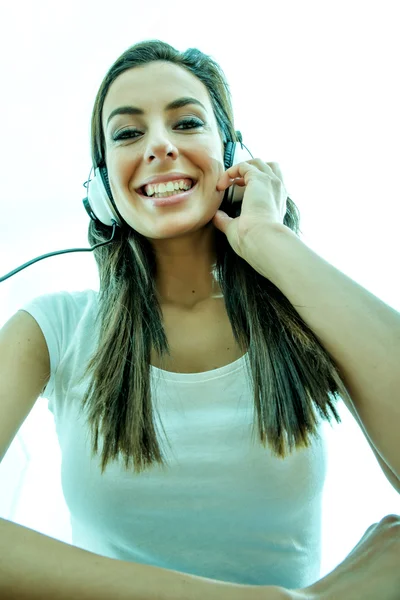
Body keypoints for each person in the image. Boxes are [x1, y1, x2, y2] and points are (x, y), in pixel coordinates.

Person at [1, 39, 399, 600]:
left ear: (232, 154)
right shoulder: (52, 329)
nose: (160, 145)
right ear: (102, 188)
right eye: (128, 133)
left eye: (187, 123)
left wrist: (269, 239)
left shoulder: (305, 316)